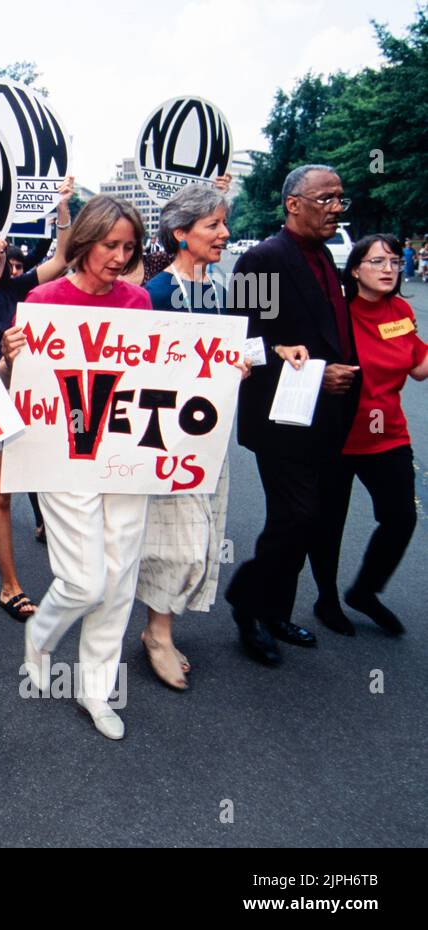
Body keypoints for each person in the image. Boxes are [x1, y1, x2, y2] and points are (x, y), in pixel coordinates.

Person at [2, 195, 154, 740]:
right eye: (110, 245)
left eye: (129, 247)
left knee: (121, 577)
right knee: (87, 580)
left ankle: (96, 690)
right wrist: (10, 355)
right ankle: (41, 635)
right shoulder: (44, 299)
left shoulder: (138, 301)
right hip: (64, 453)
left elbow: (162, 372)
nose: (119, 256)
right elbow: (11, 381)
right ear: (84, 241)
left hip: (127, 452)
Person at [222, 164, 361, 664]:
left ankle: (275, 611)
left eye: (340, 199)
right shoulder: (263, 259)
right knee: (298, 514)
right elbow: (244, 340)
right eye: (325, 199)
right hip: (280, 416)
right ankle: (246, 602)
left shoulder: (325, 256)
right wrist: (315, 372)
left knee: (305, 519)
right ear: (293, 204)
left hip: (328, 416)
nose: (335, 208)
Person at [137, 184, 255, 689]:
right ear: (181, 234)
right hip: (168, 438)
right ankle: (156, 633)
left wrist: (255, 359)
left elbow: (227, 353)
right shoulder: (154, 295)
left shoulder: (217, 289)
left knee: (204, 536)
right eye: (214, 225)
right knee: (179, 541)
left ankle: (161, 626)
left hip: (211, 432)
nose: (225, 234)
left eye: (224, 224)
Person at [0, 177, 74, 622]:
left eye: (1, 252)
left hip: (8, 400)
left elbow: (63, 258)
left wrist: (61, 209)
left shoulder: (14, 290)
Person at [308, 235, 427, 635]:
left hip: (387, 435)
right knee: (328, 523)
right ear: (356, 269)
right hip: (337, 435)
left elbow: (419, 366)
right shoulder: (338, 312)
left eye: (393, 261)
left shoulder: (402, 310)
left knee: (401, 518)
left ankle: (364, 591)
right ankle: (326, 599)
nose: (389, 269)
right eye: (377, 261)